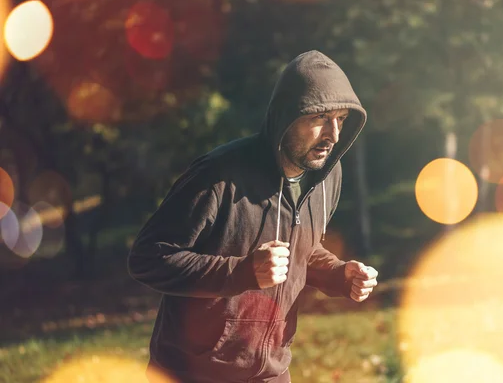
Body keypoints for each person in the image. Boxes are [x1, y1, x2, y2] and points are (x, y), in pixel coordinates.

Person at [128, 50, 379, 383]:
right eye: (320, 118)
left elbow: (301, 250)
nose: (333, 135)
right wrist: (240, 272)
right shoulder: (217, 175)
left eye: (341, 119)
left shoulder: (326, 176)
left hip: (270, 374)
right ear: (285, 117)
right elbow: (149, 258)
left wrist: (338, 274)